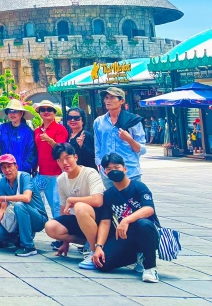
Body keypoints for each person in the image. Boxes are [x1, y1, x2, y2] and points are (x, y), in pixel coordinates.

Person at [91, 152, 160, 282]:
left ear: (125, 169)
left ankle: (150, 267)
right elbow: (105, 222)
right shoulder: (108, 194)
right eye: (109, 169)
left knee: (143, 224)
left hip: (147, 232)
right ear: (105, 172)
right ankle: (137, 255)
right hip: (125, 235)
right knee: (103, 264)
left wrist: (127, 220)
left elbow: (149, 209)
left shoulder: (138, 187)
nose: (113, 171)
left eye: (117, 167)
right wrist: (99, 247)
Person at [44, 142, 105, 270]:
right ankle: (88, 241)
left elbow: (98, 200)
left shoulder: (89, 173)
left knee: (79, 207)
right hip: (79, 219)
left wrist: (73, 200)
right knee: (51, 227)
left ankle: (93, 251)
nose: (65, 163)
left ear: (75, 157)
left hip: (99, 219)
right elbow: (63, 211)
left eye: (67, 158)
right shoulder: (61, 179)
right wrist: (65, 243)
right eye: (60, 160)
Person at [0, 153, 48, 257]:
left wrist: (3, 198)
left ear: (16, 167)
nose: (7, 170)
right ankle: (19, 239)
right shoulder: (2, 182)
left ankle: (28, 246)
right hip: (17, 217)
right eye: (4, 167)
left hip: (37, 218)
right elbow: (3, 208)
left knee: (19, 205)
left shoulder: (24, 177)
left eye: (9, 166)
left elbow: (26, 197)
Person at [93, 87, 147, 184]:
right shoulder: (99, 122)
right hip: (107, 173)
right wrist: (100, 164)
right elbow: (98, 146)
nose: (108, 101)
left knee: (132, 194)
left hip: (129, 171)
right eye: (106, 97)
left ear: (122, 101)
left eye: (112, 97)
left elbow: (142, 150)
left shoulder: (133, 121)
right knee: (111, 194)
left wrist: (129, 139)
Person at [32, 100, 67, 219]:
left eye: (49, 110)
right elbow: (36, 151)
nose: (46, 112)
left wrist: (50, 141)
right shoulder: (37, 131)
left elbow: (62, 150)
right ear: (39, 113)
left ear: (54, 112)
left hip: (58, 173)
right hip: (42, 173)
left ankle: (60, 227)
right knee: (47, 203)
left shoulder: (60, 129)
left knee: (57, 204)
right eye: (43, 110)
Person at [0, 99, 37, 173]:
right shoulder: (2, 128)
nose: (12, 114)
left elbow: (32, 152)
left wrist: (24, 167)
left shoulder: (27, 131)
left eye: (15, 111)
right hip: (4, 170)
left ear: (21, 114)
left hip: (21, 171)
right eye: (9, 111)